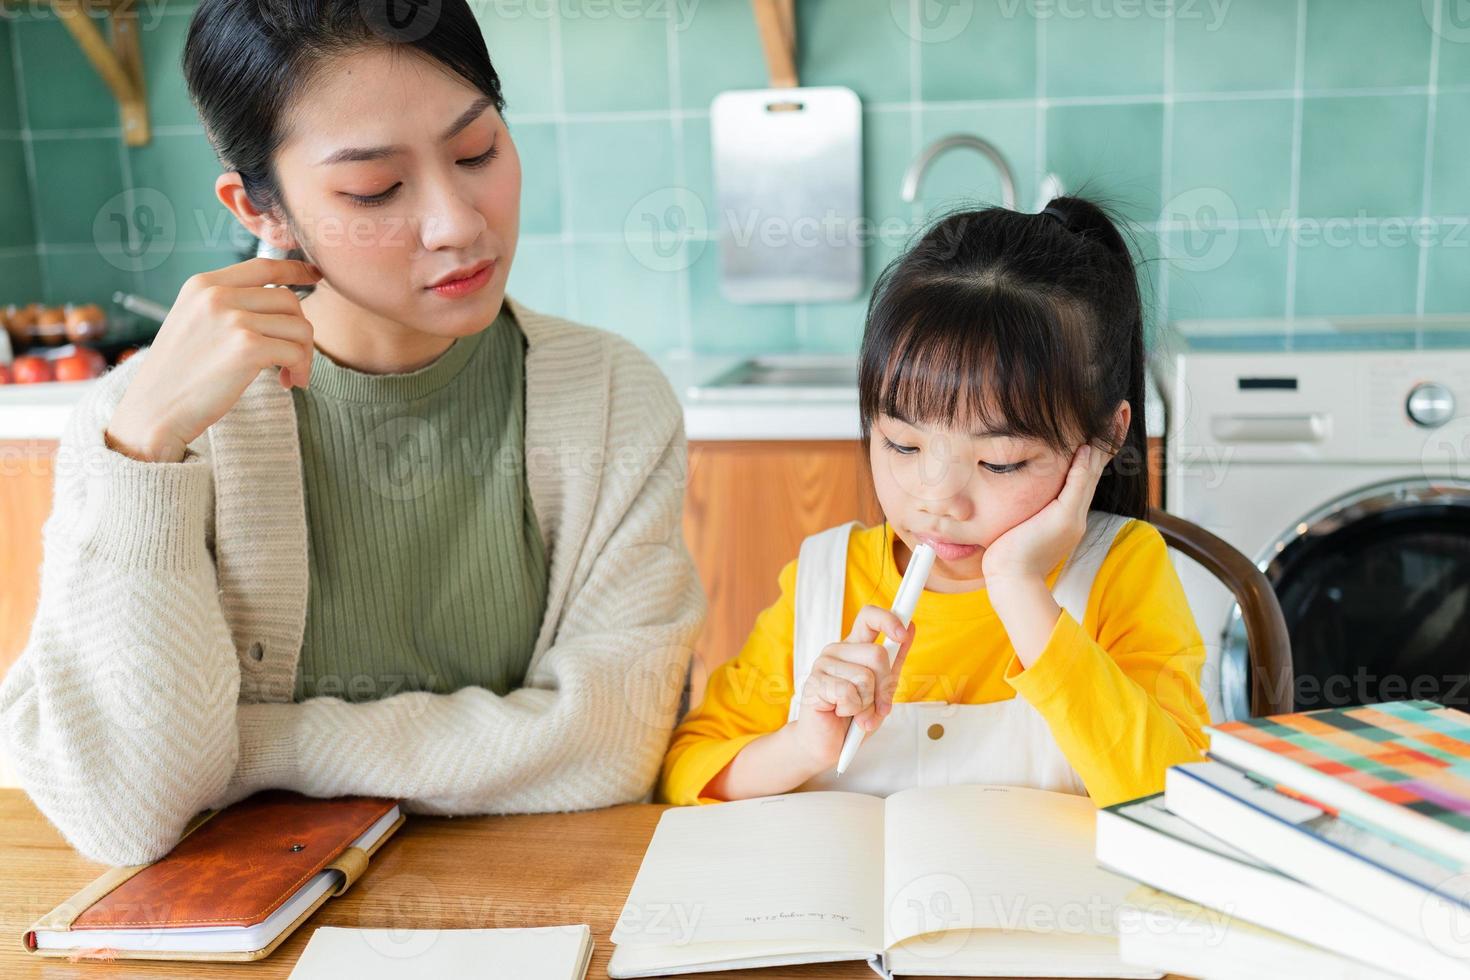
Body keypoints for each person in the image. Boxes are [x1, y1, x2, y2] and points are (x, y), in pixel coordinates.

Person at [0, 0, 704, 866]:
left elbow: (608, 746)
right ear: (263, 211)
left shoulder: (610, 398)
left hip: (541, 905)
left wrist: (243, 752)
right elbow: (127, 813)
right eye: (375, 189)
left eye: (477, 148)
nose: (457, 222)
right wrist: (143, 451)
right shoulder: (142, 432)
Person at [660, 198, 1210, 808]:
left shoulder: (1122, 573)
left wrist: (1021, 589)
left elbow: (1179, 802)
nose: (936, 498)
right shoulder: (826, 582)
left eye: (999, 462)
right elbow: (687, 772)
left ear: (1106, 436)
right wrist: (804, 745)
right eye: (901, 444)